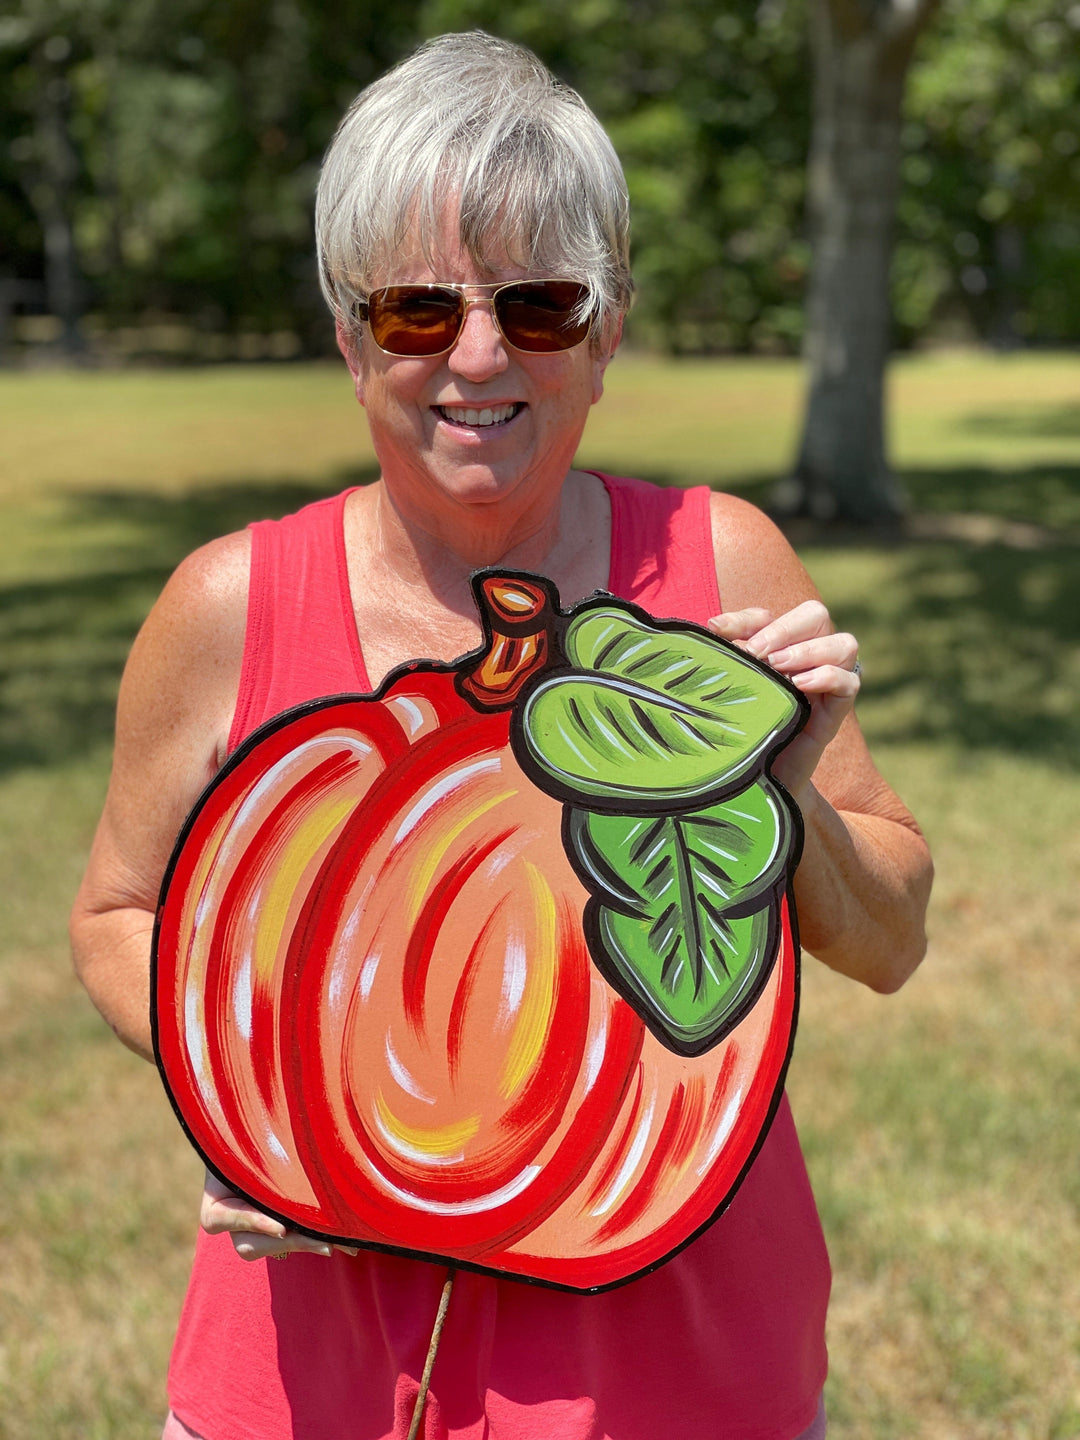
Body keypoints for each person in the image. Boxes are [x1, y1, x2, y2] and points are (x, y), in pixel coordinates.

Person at [70, 31, 932, 1440]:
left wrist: (785, 805)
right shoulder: (231, 604)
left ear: (608, 330)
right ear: (352, 340)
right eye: (418, 310)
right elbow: (118, 909)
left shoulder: (724, 570)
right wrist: (252, 1088)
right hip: (318, 1379)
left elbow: (891, 941)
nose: (479, 355)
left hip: (686, 1372)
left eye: (538, 306)